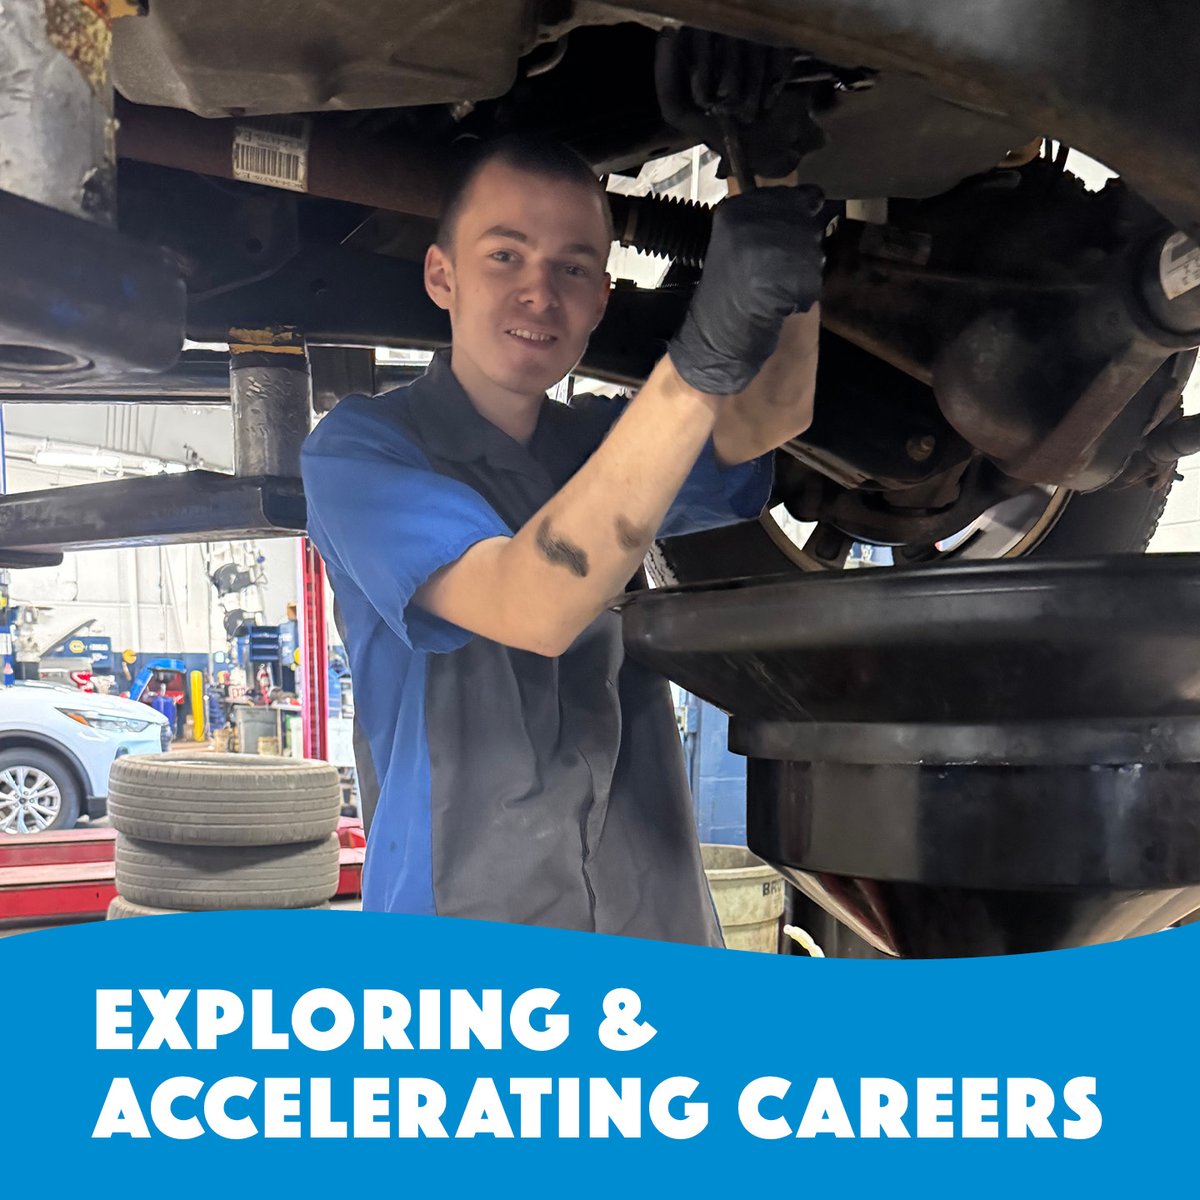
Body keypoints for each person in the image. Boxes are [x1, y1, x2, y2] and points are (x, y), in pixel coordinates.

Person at [301, 134, 824, 945]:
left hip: (647, 917)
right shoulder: (361, 452)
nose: (539, 294)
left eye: (572, 268)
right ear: (443, 274)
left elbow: (771, 418)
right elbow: (533, 602)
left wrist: (779, 196)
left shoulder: (603, 451)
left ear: (603, 298)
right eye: (505, 256)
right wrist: (699, 363)